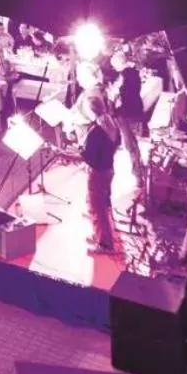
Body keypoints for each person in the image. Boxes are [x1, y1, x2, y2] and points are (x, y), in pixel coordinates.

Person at [82, 95, 120, 255]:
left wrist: (76, 151)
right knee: (101, 205)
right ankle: (101, 235)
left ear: (91, 111)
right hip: (108, 169)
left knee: (97, 208)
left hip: (97, 173)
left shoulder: (96, 131)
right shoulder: (110, 122)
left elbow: (88, 156)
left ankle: (105, 244)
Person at [110, 51, 147, 174]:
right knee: (132, 141)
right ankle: (138, 165)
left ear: (120, 63)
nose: (114, 68)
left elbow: (123, 93)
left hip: (127, 112)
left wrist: (114, 94)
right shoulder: (133, 73)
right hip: (134, 109)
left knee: (129, 143)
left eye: (114, 65)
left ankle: (137, 170)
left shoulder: (125, 75)